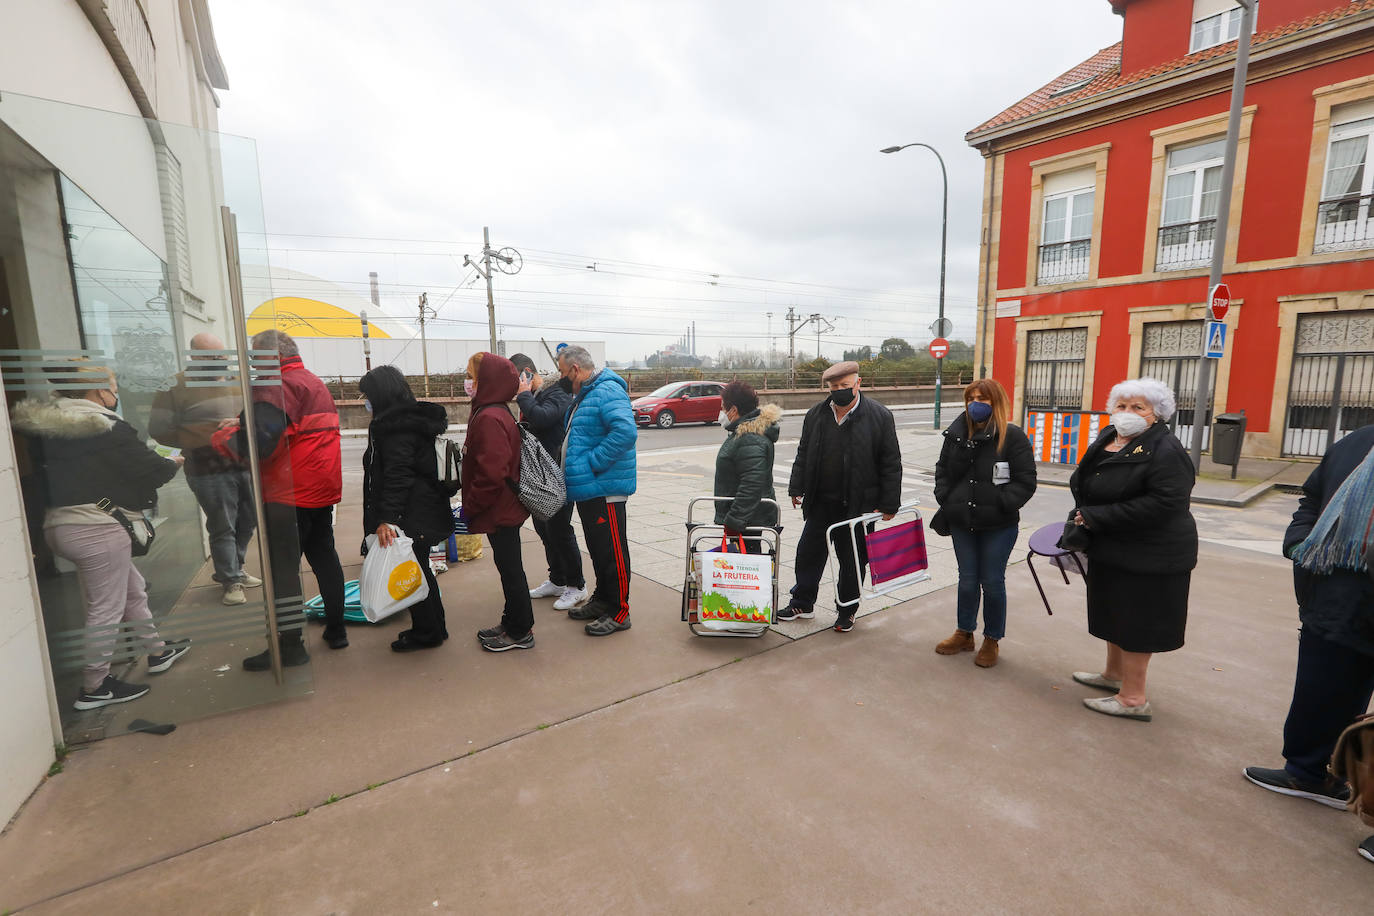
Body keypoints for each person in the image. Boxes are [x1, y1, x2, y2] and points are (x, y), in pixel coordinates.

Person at [13, 362, 190, 709]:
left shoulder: (45, 428)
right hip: (98, 527)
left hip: (60, 525)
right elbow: (153, 470)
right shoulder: (107, 428)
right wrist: (175, 462)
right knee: (105, 609)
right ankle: (95, 687)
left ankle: (156, 651)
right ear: (98, 393)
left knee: (132, 590)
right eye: (112, 386)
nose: (115, 394)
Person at [1244, 422, 1374, 860]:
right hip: (1338, 595)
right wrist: (1300, 539)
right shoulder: (1357, 441)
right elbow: (1313, 498)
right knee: (1322, 686)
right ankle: (1307, 772)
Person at [212, 330, 345, 668]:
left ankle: (290, 647)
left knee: (283, 572)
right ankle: (336, 629)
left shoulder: (274, 386)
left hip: (288, 495)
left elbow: (257, 444)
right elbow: (286, 429)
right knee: (324, 557)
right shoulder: (312, 382)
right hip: (319, 490)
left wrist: (227, 434)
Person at [1067, 378, 1196, 722]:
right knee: (1113, 613)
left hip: (1151, 555)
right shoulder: (1110, 439)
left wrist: (1097, 516)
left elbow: (1165, 503)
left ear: (1157, 414)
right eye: (1122, 406)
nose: (1128, 413)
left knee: (1137, 623)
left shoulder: (1166, 450)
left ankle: (1133, 698)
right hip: (1113, 546)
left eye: (1138, 407)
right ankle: (1113, 675)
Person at [781, 360, 902, 632]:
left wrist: (889, 503)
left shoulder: (879, 416)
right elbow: (803, 453)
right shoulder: (816, 415)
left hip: (858, 506)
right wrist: (796, 487)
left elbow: (891, 462)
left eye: (845, 386)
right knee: (807, 553)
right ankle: (802, 603)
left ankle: (847, 610)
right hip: (821, 501)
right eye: (834, 387)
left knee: (853, 560)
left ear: (858, 383)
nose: (839, 391)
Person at [148, 333, 262, 607]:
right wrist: (211, 434)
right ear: (195, 357)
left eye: (223, 354)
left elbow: (253, 418)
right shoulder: (174, 386)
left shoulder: (236, 380)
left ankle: (236, 567)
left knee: (248, 521)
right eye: (214, 357)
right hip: (208, 469)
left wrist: (239, 425)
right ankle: (230, 580)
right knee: (223, 524)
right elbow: (159, 431)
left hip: (244, 464)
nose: (222, 360)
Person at [931, 378, 1037, 668]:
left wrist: (1002, 503)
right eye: (971, 397)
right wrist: (945, 497)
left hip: (999, 525)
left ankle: (992, 639)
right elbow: (942, 470)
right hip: (962, 521)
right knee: (967, 581)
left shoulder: (1011, 436)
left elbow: (1025, 481)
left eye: (983, 398)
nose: (976, 403)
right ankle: (964, 633)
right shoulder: (956, 434)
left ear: (996, 402)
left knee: (992, 582)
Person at [359, 365, 455, 652]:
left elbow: (397, 477)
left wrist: (388, 519)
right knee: (420, 568)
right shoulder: (407, 422)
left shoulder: (397, 429)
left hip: (411, 513)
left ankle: (427, 632)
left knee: (414, 572)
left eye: (367, 395)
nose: (365, 401)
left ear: (381, 395)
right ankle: (434, 627)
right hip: (420, 508)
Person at [558, 345, 638, 637]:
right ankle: (603, 600)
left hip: (605, 489)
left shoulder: (607, 390)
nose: (562, 377)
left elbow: (625, 432)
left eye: (563, 372)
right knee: (599, 551)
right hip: (591, 489)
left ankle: (619, 611)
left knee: (613, 552)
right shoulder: (589, 393)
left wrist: (592, 463)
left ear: (576, 369)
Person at [465, 352, 537, 652]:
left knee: (511, 570)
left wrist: (471, 504)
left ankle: (520, 631)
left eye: (472, 376)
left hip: (499, 507)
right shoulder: (494, 411)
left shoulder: (491, 417)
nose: (468, 382)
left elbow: (491, 473)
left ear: (487, 381)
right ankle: (511, 622)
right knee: (508, 567)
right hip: (504, 506)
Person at [511, 352, 586, 611]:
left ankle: (577, 585)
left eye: (517, 379)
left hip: (556, 474)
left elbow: (542, 418)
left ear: (528, 373)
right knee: (544, 530)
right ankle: (558, 579)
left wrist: (523, 395)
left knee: (560, 531)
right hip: (542, 475)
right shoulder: (538, 396)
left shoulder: (557, 394)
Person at [712, 381, 781, 554]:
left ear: (733, 410)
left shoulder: (749, 437)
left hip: (748, 520)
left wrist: (735, 521)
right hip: (748, 517)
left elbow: (752, 483)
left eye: (723, 408)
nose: (721, 413)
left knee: (748, 567)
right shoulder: (744, 433)